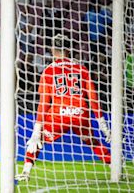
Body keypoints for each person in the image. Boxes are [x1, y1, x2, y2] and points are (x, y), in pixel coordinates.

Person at [15, 34, 112, 182]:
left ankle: (26, 171)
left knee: (38, 139)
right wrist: (103, 125)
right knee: (92, 141)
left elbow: (44, 103)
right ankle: (115, 166)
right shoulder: (82, 68)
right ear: (69, 49)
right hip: (80, 113)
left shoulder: (49, 71)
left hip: (59, 115)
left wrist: (36, 130)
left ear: (53, 50)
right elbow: (93, 98)